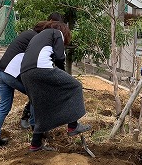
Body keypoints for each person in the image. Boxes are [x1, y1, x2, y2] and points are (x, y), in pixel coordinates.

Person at [20, 22, 91, 151]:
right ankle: (73, 126)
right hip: (41, 69)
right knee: (75, 86)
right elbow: (59, 58)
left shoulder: (39, 36)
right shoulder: (57, 33)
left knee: (41, 106)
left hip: (25, 73)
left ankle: (35, 144)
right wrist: (64, 76)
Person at [0, 20, 55, 149]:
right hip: (11, 73)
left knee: (4, 107)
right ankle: (35, 128)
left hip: (2, 72)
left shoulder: (27, 34)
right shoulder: (35, 38)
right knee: (37, 95)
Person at [20, 12, 65, 129]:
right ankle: (29, 118)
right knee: (37, 94)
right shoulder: (42, 34)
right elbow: (60, 58)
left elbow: (55, 56)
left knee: (40, 93)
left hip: (34, 66)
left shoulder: (47, 33)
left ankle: (37, 127)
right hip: (31, 67)